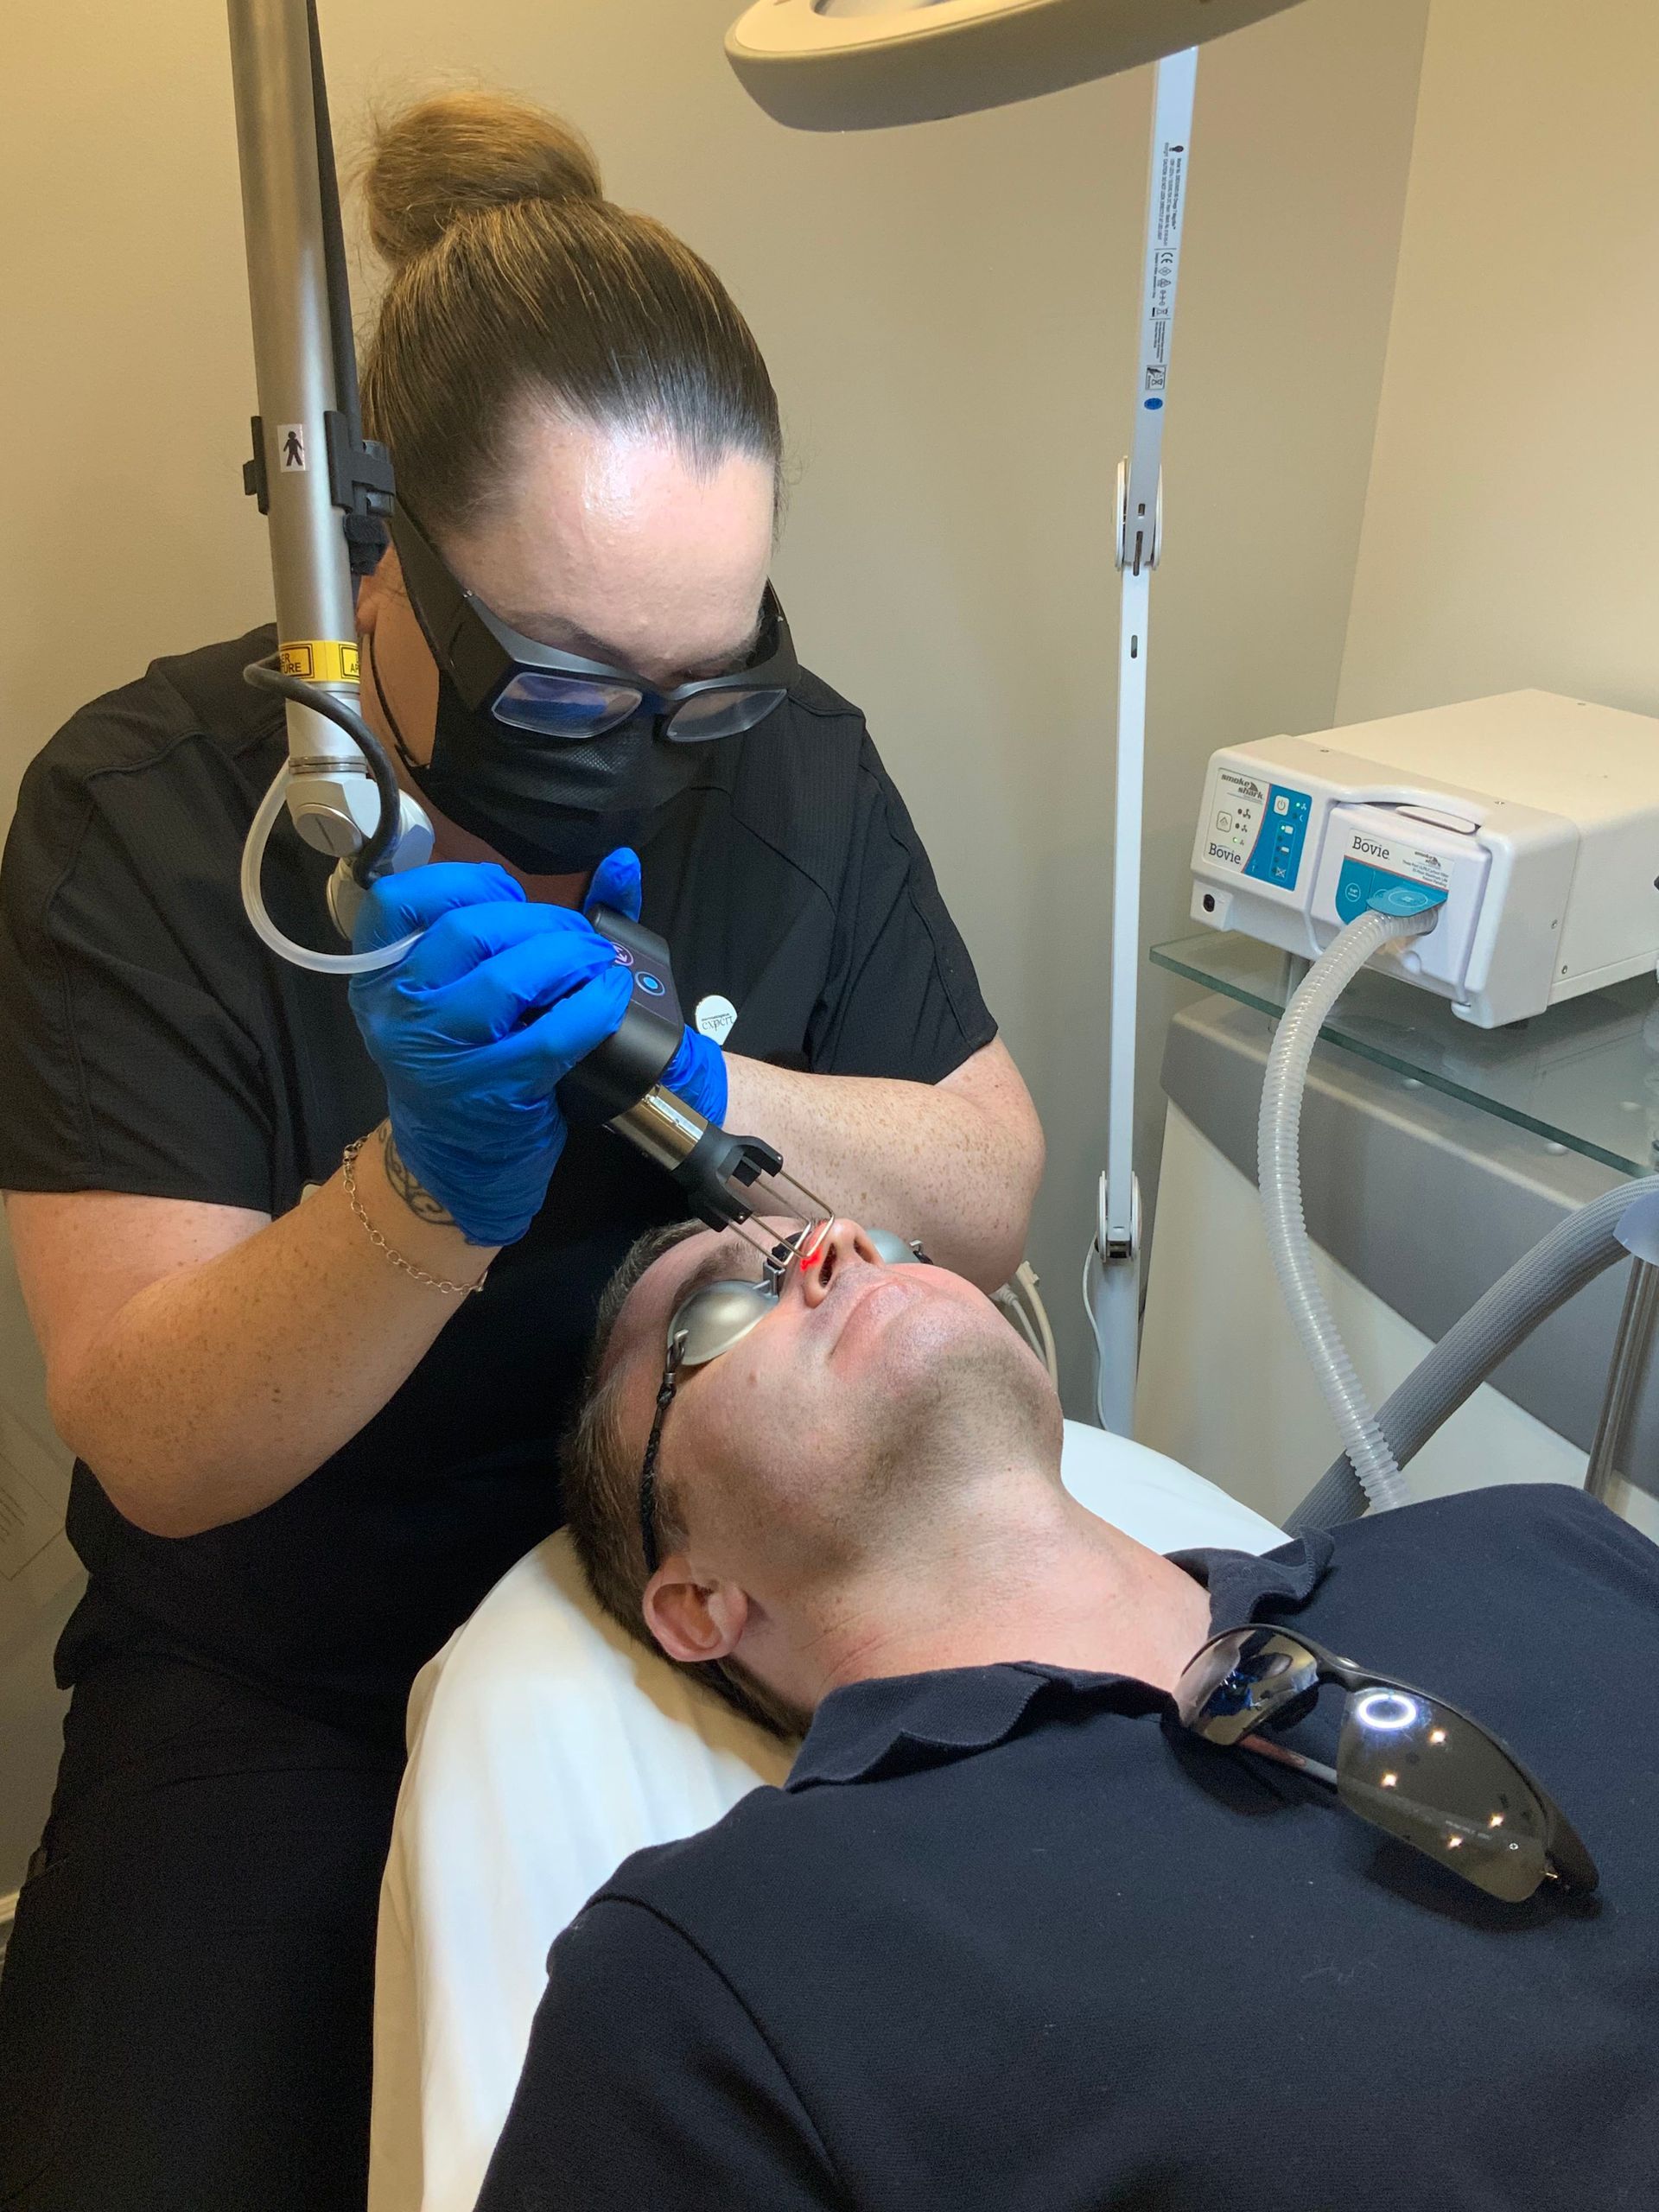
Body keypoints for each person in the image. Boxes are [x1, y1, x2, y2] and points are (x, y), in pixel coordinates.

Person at [0, 91, 1042, 2212]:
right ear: (368, 550)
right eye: (561, 687)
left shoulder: (803, 770)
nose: (649, 747)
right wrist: (427, 1191)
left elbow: (989, 1171)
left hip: (730, 1589)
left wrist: (698, 1071)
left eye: (706, 686)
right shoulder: (131, 806)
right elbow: (154, 1433)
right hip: (282, 1659)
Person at [475, 1215, 1659, 2211]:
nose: (835, 1239)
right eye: (719, 1312)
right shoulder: (709, 1979)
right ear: (696, 1602)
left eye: (876, 1235)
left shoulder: (1525, 1537)